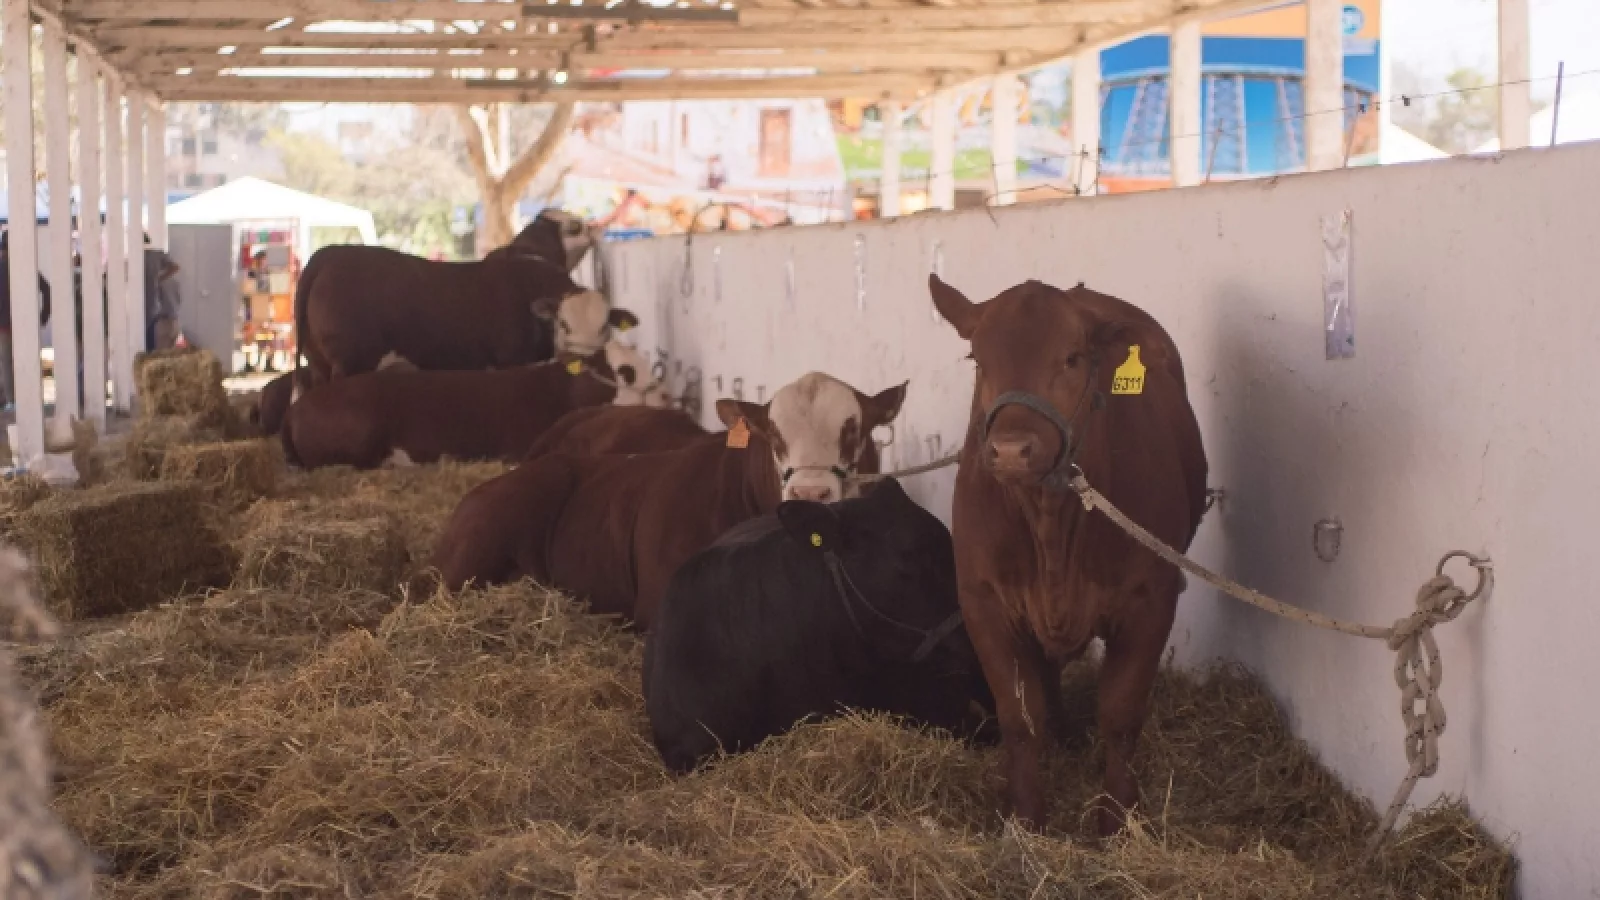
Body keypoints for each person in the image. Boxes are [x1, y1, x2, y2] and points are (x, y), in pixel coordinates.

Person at [0, 230, 53, 412]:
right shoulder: (25, 266)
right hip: (25, 323)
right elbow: (46, 289)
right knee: (28, 361)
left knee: (7, 363)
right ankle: (30, 397)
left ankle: (11, 401)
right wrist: (42, 316)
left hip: (4, 326)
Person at [143, 233, 181, 351]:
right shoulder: (158, 255)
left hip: (156, 314)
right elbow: (175, 267)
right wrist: (159, 278)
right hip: (165, 315)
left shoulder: (139, 257)